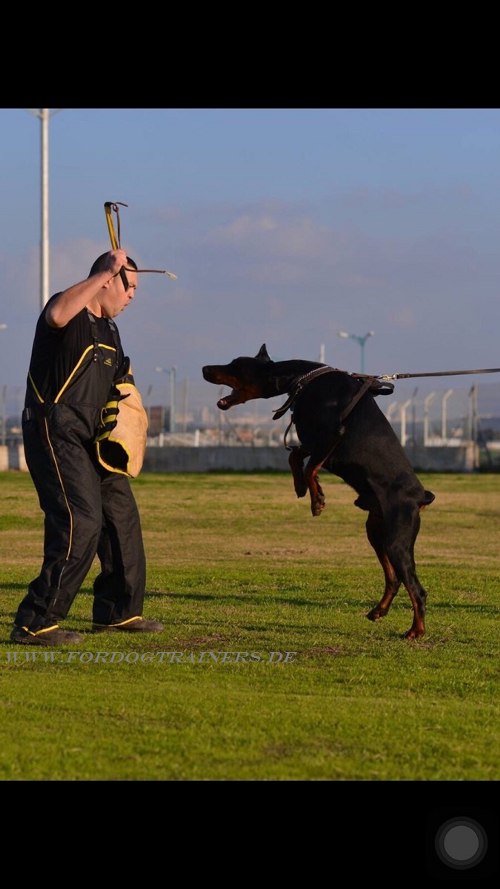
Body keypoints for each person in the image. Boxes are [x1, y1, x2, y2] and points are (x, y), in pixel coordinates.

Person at [10, 249, 164, 645]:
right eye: (129, 286)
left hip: (95, 439)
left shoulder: (111, 331)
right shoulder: (67, 312)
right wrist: (105, 271)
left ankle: (117, 612)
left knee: (121, 519)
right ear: (108, 280)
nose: (132, 296)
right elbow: (57, 313)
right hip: (54, 430)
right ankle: (35, 621)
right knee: (80, 521)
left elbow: (119, 383)